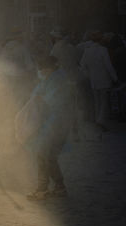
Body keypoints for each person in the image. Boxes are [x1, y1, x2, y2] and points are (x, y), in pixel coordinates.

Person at [17, 56, 74, 201]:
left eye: (41, 68)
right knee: (48, 156)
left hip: (54, 124)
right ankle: (59, 187)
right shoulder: (54, 78)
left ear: (48, 68)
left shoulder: (57, 80)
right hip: (51, 123)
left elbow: (55, 102)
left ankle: (42, 189)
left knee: (43, 155)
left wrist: (39, 100)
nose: (40, 71)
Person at [80, 31, 118, 131]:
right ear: (101, 41)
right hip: (104, 80)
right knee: (104, 102)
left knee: (97, 102)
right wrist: (115, 78)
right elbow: (108, 66)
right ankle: (101, 122)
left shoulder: (87, 51)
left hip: (93, 81)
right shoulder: (103, 50)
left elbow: (82, 65)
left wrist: (89, 75)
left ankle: (97, 121)